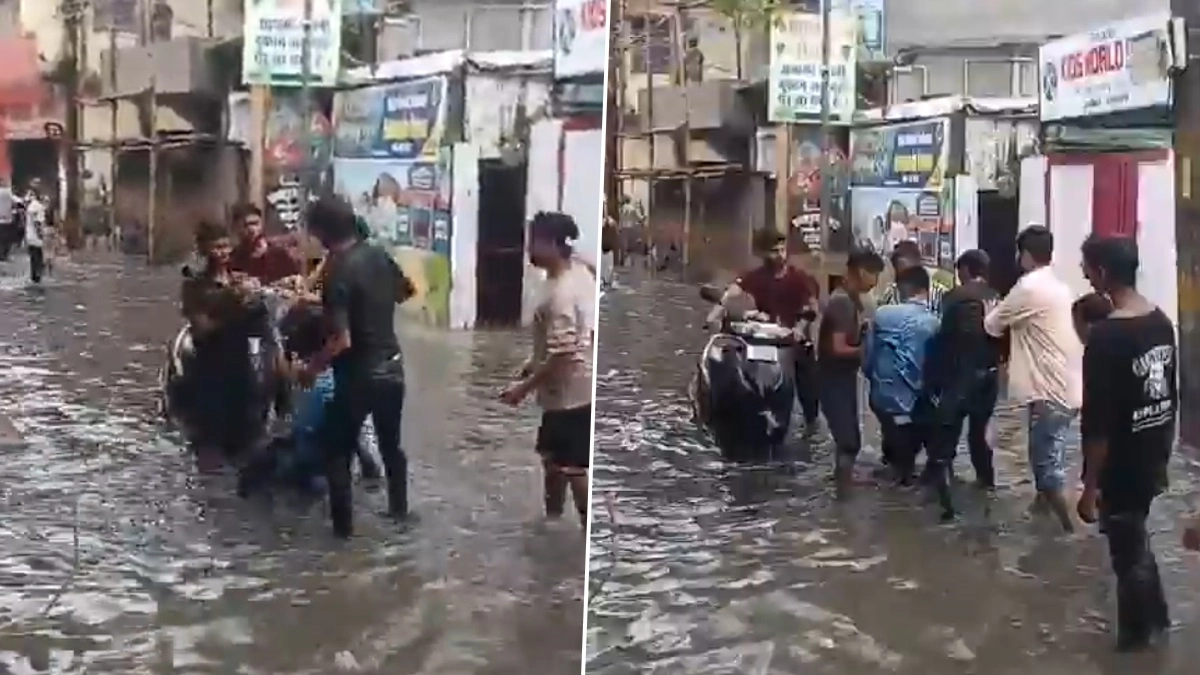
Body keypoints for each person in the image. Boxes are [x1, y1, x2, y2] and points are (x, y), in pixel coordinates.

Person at [1075, 235, 1175, 652]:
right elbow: (1169, 394)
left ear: (1100, 273)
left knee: (1125, 552)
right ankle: (1159, 621)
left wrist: (1089, 486)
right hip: (1153, 452)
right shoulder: (1160, 320)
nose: (1082, 272)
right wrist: (1164, 456)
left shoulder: (1106, 338)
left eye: (1085, 266)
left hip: (1121, 463)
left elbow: (1097, 424)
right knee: (1137, 539)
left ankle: (1135, 644)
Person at [298, 197, 414, 538]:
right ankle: (400, 515)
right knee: (391, 447)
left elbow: (342, 341)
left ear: (321, 232)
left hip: (359, 376)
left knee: (336, 452)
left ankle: (343, 537)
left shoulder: (338, 272)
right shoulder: (379, 255)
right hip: (393, 368)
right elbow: (405, 292)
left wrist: (312, 368)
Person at [984, 225, 1082, 532]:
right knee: (1048, 455)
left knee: (1046, 468)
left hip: (1048, 394)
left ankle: (1070, 531)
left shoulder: (1028, 288)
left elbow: (992, 325)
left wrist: (991, 309)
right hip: (1068, 389)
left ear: (1025, 255)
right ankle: (1040, 523)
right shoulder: (1061, 287)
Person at [500, 211, 595, 525]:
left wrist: (521, 391)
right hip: (567, 390)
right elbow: (567, 340)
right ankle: (552, 523)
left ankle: (585, 530)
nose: (528, 249)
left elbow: (564, 355)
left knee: (572, 466)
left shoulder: (560, 293)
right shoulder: (578, 273)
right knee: (553, 460)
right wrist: (532, 363)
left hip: (570, 393)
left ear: (553, 245)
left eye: (534, 242)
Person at [708, 228, 822, 428]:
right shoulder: (756, 277)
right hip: (767, 338)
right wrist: (716, 313)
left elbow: (812, 306)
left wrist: (800, 327)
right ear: (762, 254)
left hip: (794, 339)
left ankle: (811, 426)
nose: (779, 255)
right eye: (773, 251)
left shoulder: (800, 278)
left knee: (808, 388)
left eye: (782, 250)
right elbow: (732, 292)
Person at [924, 250, 1004, 517]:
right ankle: (987, 487)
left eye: (960, 272)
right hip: (989, 375)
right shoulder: (997, 296)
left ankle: (947, 509)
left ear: (967, 270)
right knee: (978, 433)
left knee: (945, 440)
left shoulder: (953, 297)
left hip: (959, 375)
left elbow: (943, 339)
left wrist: (933, 379)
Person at [180, 221, 263, 464]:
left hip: (241, 370)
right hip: (209, 371)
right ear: (204, 249)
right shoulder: (194, 286)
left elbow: (259, 323)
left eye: (226, 246)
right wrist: (231, 304)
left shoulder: (241, 280)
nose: (223, 252)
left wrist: (254, 299)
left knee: (247, 445)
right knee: (210, 449)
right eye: (216, 247)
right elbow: (202, 330)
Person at [862, 265, 939, 485]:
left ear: (901, 289)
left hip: (882, 398)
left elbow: (867, 360)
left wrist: (875, 380)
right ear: (927, 289)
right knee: (910, 462)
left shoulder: (881, 314)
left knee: (894, 447)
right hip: (914, 402)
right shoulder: (934, 322)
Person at [819, 248, 884, 487]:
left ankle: (843, 485)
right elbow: (837, 348)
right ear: (861, 272)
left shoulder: (853, 301)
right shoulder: (842, 303)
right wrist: (867, 351)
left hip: (843, 379)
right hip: (832, 380)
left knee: (849, 439)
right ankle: (843, 492)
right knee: (848, 441)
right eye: (874, 275)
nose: (876, 281)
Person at [230, 204, 303, 285]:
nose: (252, 229)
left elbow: (295, 277)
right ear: (238, 228)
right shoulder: (235, 256)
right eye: (246, 225)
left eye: (255, 223)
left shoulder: (278, 252)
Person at [877, 240, 950, 315]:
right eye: (900, 274)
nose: (905, 278)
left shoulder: (941, 294)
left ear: (919, 264)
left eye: (909, 272)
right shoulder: (890, 294)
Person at [23, 181, 48, 284]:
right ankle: (37, 279)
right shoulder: (39, 207)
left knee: (34, 260)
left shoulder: (32, 206)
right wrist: (42, 236)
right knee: (38, 261)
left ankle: (34, 278)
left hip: (30, 236)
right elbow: (38, 223)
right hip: (36, 238)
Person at [0, 178, 14, 260]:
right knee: (6, 239)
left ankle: (1, 255)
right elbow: (16, 201)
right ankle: (4, 255)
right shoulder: (8, 192)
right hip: (7, 220)